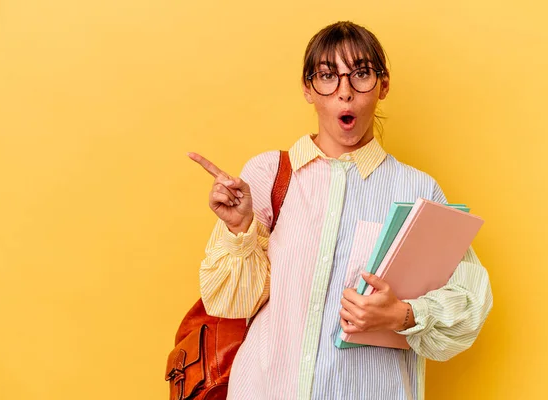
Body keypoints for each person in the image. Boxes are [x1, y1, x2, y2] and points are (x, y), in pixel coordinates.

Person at [188, 20, 493, 400]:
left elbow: (469, 302)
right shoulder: (267, 176)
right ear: (307, 88)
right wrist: (240, 229)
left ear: (383, 85)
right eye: (328, 76)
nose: (344, 93)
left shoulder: (419, 190)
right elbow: (232, 302)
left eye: (361, 75)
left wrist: (402, 315)